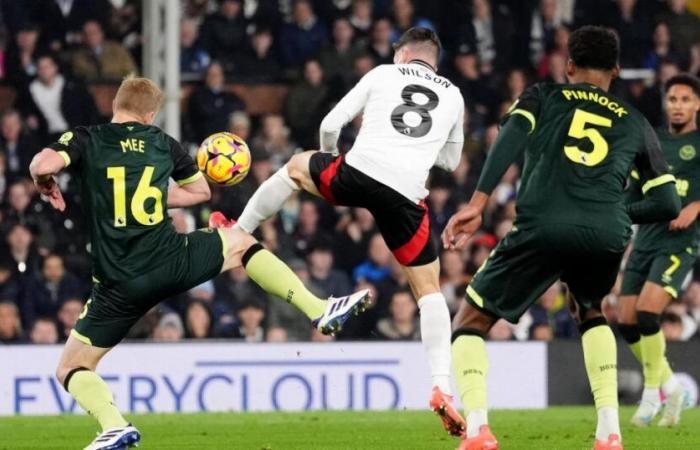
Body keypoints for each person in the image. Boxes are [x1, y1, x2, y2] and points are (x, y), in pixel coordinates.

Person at [29, 76, 368, 450]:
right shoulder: (162, 143)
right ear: (151, 114)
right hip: (170, 259)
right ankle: (318, 308)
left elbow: (43, 162)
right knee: (241, 243)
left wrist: (44, 180)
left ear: (116, 105)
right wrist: (155, 193)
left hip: (118, 283)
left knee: (71, 367)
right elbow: (200, 191)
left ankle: (114, 425)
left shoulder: (88, 138)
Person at [442, 26, 681, 450]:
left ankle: (478, 429)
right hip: (605, 232)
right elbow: (666, 202)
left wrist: (478, 202)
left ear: (569, 65)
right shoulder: (636, 121)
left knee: (470, 321)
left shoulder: (544, 96)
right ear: (617, 70)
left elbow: (511, 137)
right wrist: (619, 210)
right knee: (590, 310)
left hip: (543, 223)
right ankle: (610, 431)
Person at [230, 27, 466, 436]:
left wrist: (330, 160)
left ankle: (239, 230)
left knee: (296, 167)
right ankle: (442, 388)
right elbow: (450, 160)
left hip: (358, 172)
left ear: (404, 53)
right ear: (435, 61)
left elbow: (330, 123)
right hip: (407, 197)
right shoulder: (454, 94)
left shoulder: (382, 73)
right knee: (429, 291)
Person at [617, 73, 700, 428]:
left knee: (649, 313)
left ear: (697, 104)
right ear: (665, 103)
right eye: (672, 99)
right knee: (626, 320)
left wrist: (696, 207)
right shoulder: (651, 139)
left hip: (679, 243)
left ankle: (652, 395)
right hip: (646, 239)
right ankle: (671, 385)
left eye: (685, 99)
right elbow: (635, 188)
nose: (678, 106)